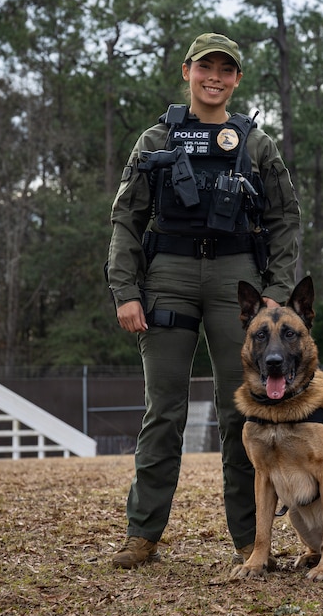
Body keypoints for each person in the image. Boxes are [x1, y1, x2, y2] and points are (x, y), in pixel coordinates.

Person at [106, 32, 301, 568]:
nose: (214, 77)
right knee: (163, 410)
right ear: (186, 71)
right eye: (205, 67)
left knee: (241, 412)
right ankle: (142, 535)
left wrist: (277, 292)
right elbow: (126, 218)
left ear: (237, 79)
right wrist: (126, 291)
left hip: (237, 280)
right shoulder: (155, 139)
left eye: (225, 69)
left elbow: (285, 219)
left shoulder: (256, 144)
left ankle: (251, 541)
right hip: (167, 274)